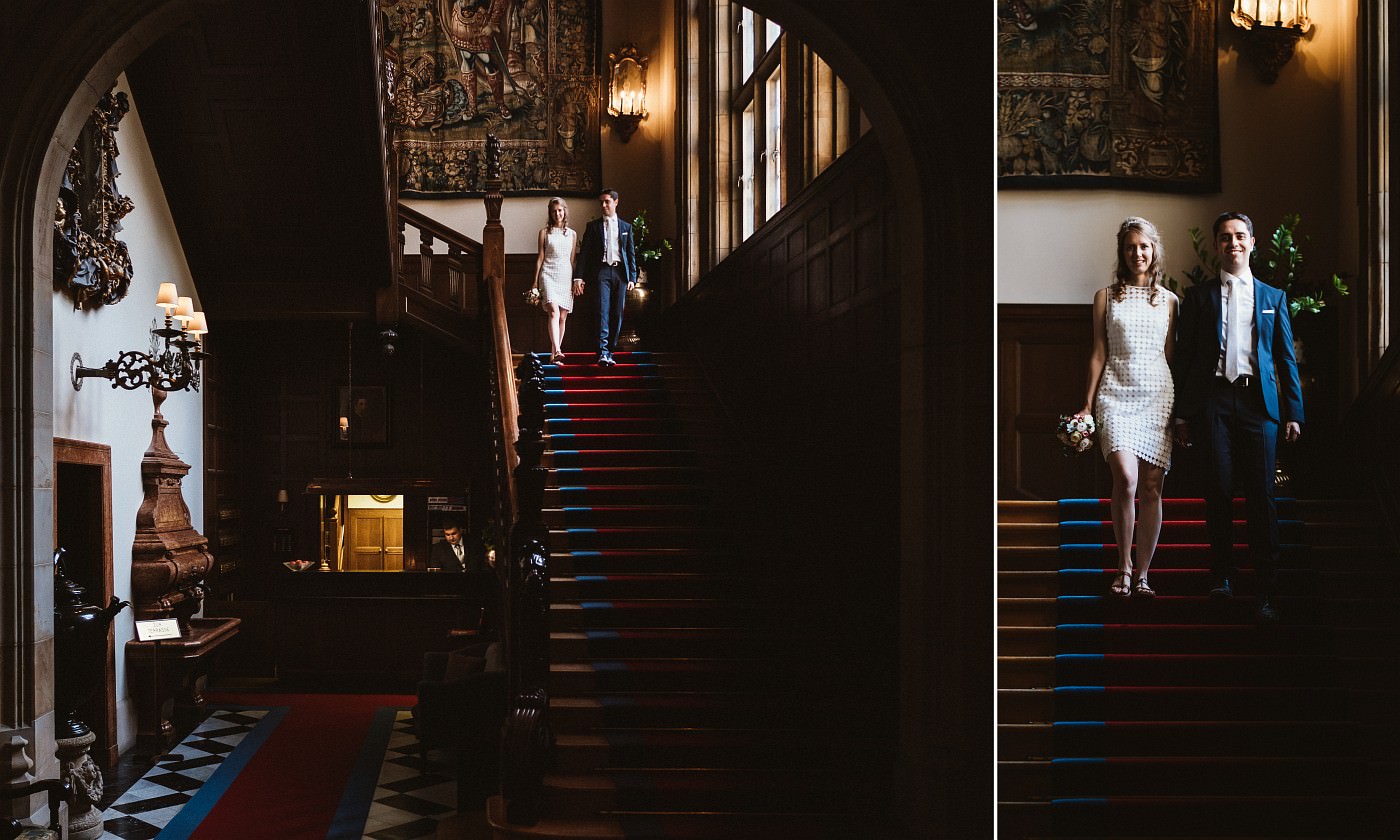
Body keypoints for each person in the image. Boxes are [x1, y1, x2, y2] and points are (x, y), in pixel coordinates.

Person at [1173, 211, 1303, 623]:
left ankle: (1266, 589)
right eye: (1226, 237)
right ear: (1216, 245)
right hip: (1213, 402)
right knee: (1219, 490)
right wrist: (1182, 414)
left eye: (1240, 236)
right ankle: (1223, 577)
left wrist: (1293, 412)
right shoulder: (1199, 297)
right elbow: (1188, 359)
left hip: (1258, 406)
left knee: (1262, 497)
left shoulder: (1273, 297)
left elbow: (1285, 359)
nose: (1234, 243)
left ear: (1252, 242)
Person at [1079, 217, 1177, 599]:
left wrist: (1180, 413)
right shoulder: (1105, 296)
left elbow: (1169, 358)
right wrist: (1087, 405)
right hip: (1115, 395)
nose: (1138, 253)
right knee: (1126, 478)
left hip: (1157, 395)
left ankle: (1144, 575)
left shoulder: (1170, 301)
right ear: (1122, 253)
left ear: (1154, 251)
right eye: (1130, 247)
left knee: (1152, 487)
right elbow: (1098, 353)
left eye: (1144, 246)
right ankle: (1123, 564)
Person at [572, 188, 638, 367]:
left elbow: (630, 253)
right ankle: (602, 353)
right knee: (602, 311)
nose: (603, 205)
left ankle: (611, 351)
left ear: (616, 202)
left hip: (620, 273)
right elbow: (584, 254)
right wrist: (578, 277)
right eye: (601, 202)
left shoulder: (626, 227)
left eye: (607, 201)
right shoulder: (592, 227)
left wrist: (632, 276)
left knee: (617, 312)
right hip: (601, 272)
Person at [532, 197, 578, 364]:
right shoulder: (544, 233)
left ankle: (554, 356)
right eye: (554, 211)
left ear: (564, 211)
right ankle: (558, 349)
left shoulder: (572, 234)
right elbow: (540, 257)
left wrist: (575, 281)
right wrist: (535, 282)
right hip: (548, 273)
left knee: (563, 316)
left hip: (565, 276)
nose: (557, 213)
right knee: (553, 310)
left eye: (560, 210)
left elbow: (572, 260)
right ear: (550, 213)